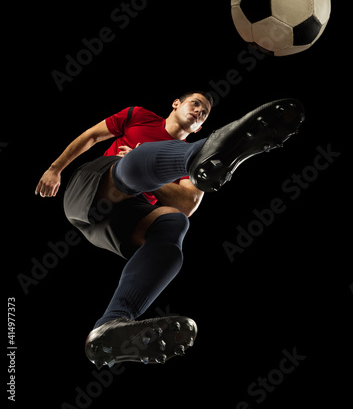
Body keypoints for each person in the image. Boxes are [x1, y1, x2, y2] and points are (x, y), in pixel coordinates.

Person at [35, 92, 304, 368]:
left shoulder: (193, 170)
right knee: (131, 168)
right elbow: (91, 136)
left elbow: (187, 204)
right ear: (176, 103)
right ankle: (202, 151)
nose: (199, 110)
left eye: (205, 112)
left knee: (175, 223)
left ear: (200, 128)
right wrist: (55, 168)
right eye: (196, 103)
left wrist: (156, 176)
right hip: (92, 187)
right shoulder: (138, 116)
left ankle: (109, 327)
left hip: (118, 222)